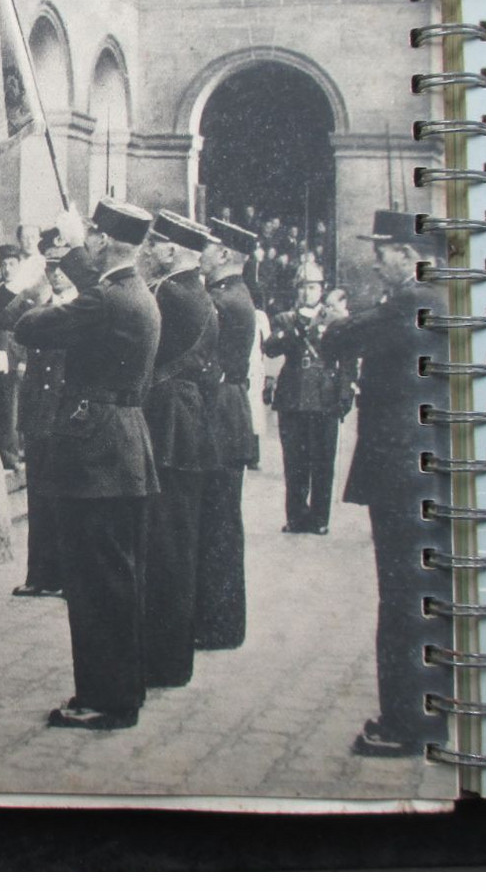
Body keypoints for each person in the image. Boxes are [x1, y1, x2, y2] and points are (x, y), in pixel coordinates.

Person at [2, 198, 162, 730]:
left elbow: (31, 328)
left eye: (91, 235)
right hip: (125, 447)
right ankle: (124, 688)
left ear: (103, 243)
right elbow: (94, 290)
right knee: (118, 575)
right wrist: (70, 256)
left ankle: (103, 699)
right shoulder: (133, 291)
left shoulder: (106, 300)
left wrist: (32, 287)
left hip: (95, 451)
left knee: (95, 581)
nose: (87, 240)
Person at [318, 209, 452, 758]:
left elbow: (335, 340)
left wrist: (340, 317)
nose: (375, 258)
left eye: (382, 249)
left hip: (403, 471)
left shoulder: (408, 303)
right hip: (428, 466)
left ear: (408, 256)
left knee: (402, 599)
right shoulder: (438, 299)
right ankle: (431, 712)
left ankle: (403, 724)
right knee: (425, 595)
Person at [138, 210, 222, 690]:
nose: (148, 252)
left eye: (155, 246)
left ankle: (163, 660)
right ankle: (172, 656)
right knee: (177, 543)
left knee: (166, 546)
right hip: (187, 426)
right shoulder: (199, 291)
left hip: (168, 427)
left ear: (171, 251)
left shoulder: (171, 293)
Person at [0, 227, 71, 598]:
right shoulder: (34, 305)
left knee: (69, 501)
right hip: (39, 414)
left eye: (63, 265)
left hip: (70, 418)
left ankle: (71, 576)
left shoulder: (87, 305)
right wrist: (20, 281)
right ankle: (42, 574)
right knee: (39, 498)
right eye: (50, 266)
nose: (55, 273)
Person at [193, 216, 259, 651]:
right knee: (219, 522)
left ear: (223, 255)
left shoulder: (225, 300)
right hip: (227, 413)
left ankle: (220, 624)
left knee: (217, 525)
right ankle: (219, 621)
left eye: (207, 245)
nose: (201, 251)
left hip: (220, 415)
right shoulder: (231, 294)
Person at [263, 257, 351, 535]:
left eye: (312, 287)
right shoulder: (285, 319)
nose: (306, 292)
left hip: (325, 395)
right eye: (302, 287)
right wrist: (291, 331)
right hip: (293, 396)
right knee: (294, 462)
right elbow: (271, 348)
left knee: (323, 462)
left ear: (321, 289)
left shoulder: (336, 321)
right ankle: (296, 516)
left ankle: (320, 518)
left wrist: (345, 393)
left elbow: (347, 360)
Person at [0, 243, 25, 469]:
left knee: (11, 407)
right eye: (4, 264)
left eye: (12, 264)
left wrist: (24, 360)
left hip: (15, 356)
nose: (7, 269)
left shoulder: (24, 293)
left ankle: (11, 454)